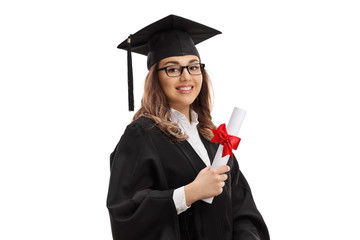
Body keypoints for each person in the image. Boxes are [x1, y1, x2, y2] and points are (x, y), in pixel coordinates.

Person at [106, 14, 270, 240]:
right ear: (155, 78)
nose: (186, 77)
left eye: (193, 67)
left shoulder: (213, 138)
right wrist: (190, 193)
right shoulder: (142, 134)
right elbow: (125, 212)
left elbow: (242, 210)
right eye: (173, 69)